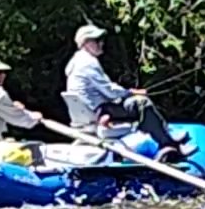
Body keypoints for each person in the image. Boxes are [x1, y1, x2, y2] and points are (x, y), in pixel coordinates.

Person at [64, 25, 181, 154]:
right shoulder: (88, 63)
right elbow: (109, 91)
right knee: (142, 103)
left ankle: (163, 133)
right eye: (97, 41)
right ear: (86, 43)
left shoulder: (75, 62)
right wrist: (130, 92)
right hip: (99, 111)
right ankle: (167, 144)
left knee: (130, 103)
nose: (101, 43)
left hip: (90, 112)